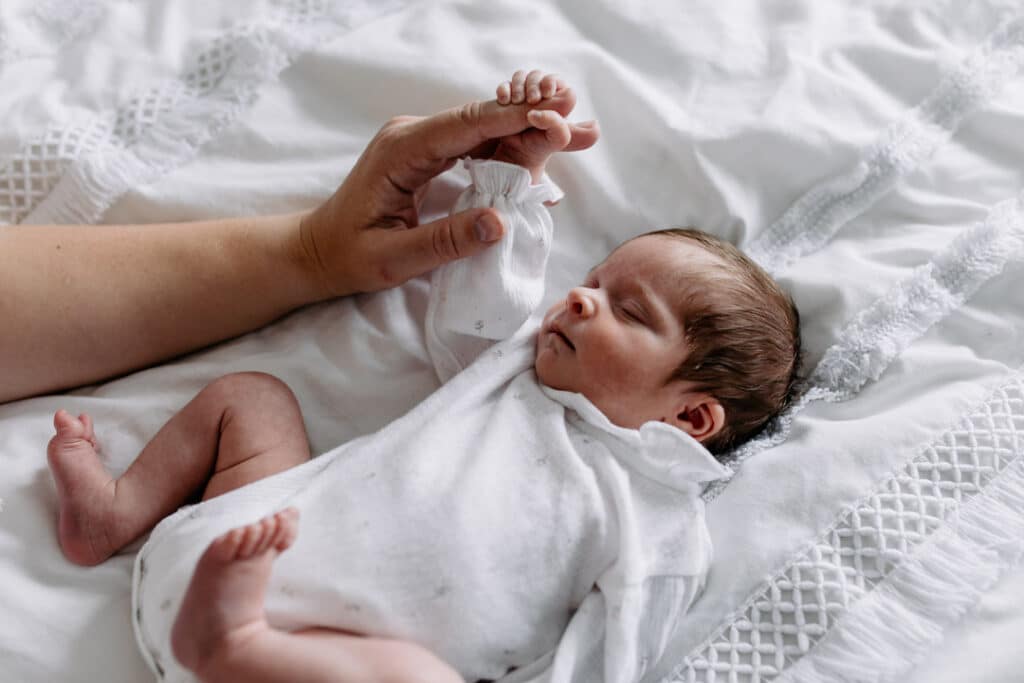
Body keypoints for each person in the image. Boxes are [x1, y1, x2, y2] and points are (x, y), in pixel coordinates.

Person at [46, 71, 800, 683]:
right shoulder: (516, 377)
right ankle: (116, 511)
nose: (579, 295)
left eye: (627, 311)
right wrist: (512, 175)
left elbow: (612, 651)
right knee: (251, 399)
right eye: (595, 279)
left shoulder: (657, 520)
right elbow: (480, 303)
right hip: (237, 540)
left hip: (324, 652)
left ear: (691, 418)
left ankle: (236, 642)